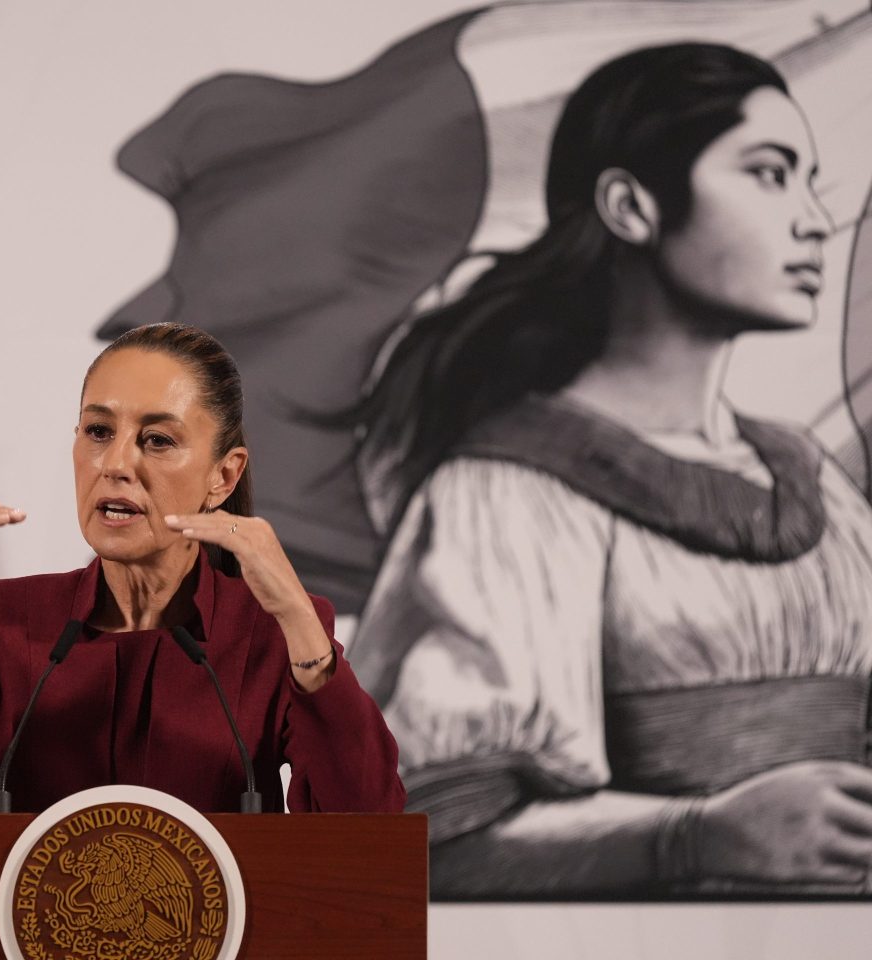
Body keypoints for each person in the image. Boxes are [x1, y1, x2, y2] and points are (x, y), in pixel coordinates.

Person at [347, 43, 872, 896]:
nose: (814, 219)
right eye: (771, 175)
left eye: (811, 181)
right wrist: (696, 836)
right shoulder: (509, 493)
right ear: (631, 206)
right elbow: (426, 834)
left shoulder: (813, 481)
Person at [0, 322, 405, 815]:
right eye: (98, 432)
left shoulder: (270, 632)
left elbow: (369, 828)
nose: (117, 464)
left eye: (157, 440)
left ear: (223, 476)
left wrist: (295, 619)